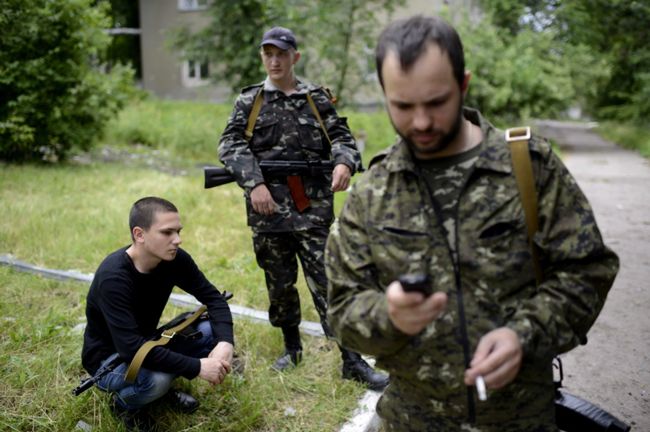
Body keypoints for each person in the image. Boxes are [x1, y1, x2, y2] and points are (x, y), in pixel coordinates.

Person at [325, 15, 619, 431]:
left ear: (463, 85)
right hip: (410, 421)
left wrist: (524, 333)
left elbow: (588, 270)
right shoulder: (372, 193)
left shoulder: (528, 167)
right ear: (385, 94)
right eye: (403, 106)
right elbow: (341, 310)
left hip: (519, 419)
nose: (421, 122)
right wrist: (387, 316)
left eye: (436, 102)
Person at [218, 26, 388, 390]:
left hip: (312, 209)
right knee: (279, 284)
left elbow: (342, 137)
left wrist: (344, 162)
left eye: (281, 53)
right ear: (263, 57)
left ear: (295, 56)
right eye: (268, 54)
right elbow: (230, 144)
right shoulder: (250, 101)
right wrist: (255, 184)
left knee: (329, 282)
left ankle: (352, 361)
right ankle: (291, 348)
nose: (275, 60)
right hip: (268, 212)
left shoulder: (316, 99)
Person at [82, 197, 235, 431]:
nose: (177, 239)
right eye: (167, 232)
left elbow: (214, 299)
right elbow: (131, 348)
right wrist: (198, 367)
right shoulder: (114, 277)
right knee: (157, 380)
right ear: (139, 234)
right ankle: (125, 405)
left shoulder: (174, 259)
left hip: (149, 342)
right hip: (109, 360)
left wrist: (226, 342)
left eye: (178, 231)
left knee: (211, 331)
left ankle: (161, 392)